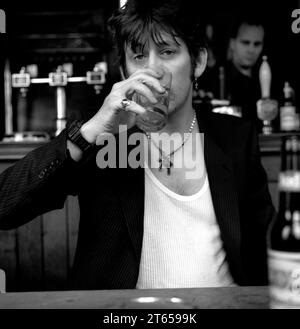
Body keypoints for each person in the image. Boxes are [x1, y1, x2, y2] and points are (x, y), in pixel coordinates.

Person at [0, 0, 275, 290]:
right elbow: (4, 207)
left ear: (198, 62)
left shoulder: (234, 138)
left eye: (167, 52)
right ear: (124, 72)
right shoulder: (106, 140)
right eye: (139, 56)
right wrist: (91, 133)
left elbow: (266, 247)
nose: (152, 70)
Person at [200, 14, 265, 128]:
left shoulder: (265, 81)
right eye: (245, 42)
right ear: (232, 43)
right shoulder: (216, 78)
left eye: (257, 44)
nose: (251, 50)